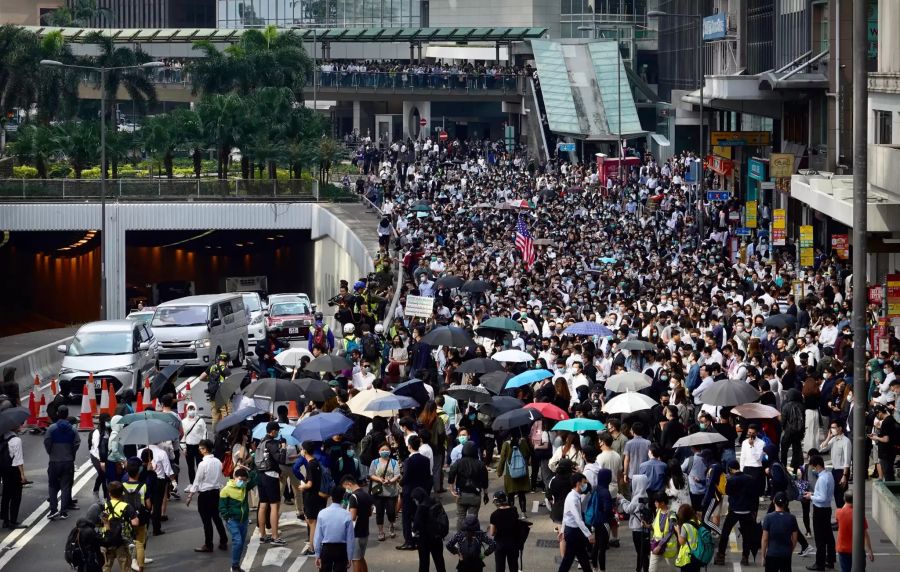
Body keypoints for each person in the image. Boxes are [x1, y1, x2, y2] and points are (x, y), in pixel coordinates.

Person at [186, 438, 227, 553]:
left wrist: (190, 495)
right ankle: (223, 540)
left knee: (206, 521)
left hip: (205, 494)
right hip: (215, 492)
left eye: (201, 448)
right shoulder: (218, 462)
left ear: (205, 449)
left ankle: (208, 545)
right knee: (216, 517)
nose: (199, 450)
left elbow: (197, 481)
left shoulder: (203, 464)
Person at [714, 460, 756, 566]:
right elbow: (754, 496)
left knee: (725, 533)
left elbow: (727, 492)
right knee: (746, 535)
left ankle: (721, 556)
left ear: (730, 469)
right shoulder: (750, 479)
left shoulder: (731, 480)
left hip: (734, 510)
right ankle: (745, 557)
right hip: (747, 511)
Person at [45, 404, 80, 520]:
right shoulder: (73, 429)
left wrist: (51, 452)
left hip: (54, 461)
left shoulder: (52, 428)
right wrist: (71, 454)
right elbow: (76, 443)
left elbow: (47, 442)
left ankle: (53, 510)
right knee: (65, 486)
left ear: (58, 414)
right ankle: (63, 511)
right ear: (67, 414)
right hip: (68, 461)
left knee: (52, 486)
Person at [219, 467, 257, 572]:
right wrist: (227, 517)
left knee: (241, 543)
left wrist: (248, 470)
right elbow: (222, 507)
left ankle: (236, 565)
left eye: (245, 480)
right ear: (234, 477)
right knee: (238, 541)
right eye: (240, 479)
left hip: (243, 521)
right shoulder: (225, 490)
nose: (243, 482)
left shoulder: (244, 487)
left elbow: (255, 477)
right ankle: (235, 566)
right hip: (232, 521)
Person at [256, 421, 287, 545]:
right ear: (273, 431)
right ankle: (275, 536)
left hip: (260, 475)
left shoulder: (262, 442)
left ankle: (262, 535)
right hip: (270, 476)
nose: (278, 432)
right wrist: (283, 448)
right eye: (277, 430)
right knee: (274, 506)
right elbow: (281, 459)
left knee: (263, 505)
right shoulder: (272, 443)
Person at [399, 435, 431, 550]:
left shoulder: (408, 461)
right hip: (421, 492)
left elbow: (406, 477)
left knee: (407, 517)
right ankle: (419, 539)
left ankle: (409, 541)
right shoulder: (426, 460)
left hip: (409, 492)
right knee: (419, 515)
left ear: (409, 446)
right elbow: (428, 477)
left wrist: (400, 483)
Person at [556, 473, 594, 572]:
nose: (585, 485)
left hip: (573, 531)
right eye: (584, 482)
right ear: (578, 483)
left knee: (581, 557)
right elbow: (578, 519)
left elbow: (565, 515)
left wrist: (562, 531)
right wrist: (589, 535)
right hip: (573, 532)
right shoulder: (572, 498)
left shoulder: (573, 496)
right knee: (573, 558)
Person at [447, 441, 489, 531]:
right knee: (473, 519)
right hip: (475, 495)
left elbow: (451, 473)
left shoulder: (458, 463)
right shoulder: (480, 464)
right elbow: (485, 481)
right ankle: (472, 539)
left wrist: (451, 489)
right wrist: (485, 494)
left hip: (461, 494)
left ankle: (460, 539)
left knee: (461, 518)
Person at [804, 455, 835, 571]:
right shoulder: (829, 475)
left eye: (813, 466)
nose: (812, 469)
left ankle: (820, 563)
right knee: (828, 536)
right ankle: (830, 559)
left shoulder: (822, 479)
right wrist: (812, 494)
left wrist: (810, 497)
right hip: (826, 509)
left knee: (820, 538)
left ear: (817, 465)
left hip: (820, 510)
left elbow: (822, 498)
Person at [100, 481, 140, 572]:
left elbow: (100, 521)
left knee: (106, 565)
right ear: (122, 493)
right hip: (121, 540)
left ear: (109, 494)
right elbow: (135, 522)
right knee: (125, 565)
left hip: (107, 539)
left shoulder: (104, 506)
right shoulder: (126, 506)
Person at [313, 485, 354, 572]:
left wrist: (317, 555)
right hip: (341, 549)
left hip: (326, 549)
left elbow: (317, 537)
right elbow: (350, 538)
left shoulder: (322, 513)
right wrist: (349, 556)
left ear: (331, 497)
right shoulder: (347, 515)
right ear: (343, 497)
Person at [121, 458, 151, 572]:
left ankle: (129, 564)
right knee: (140, 543)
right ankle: (140, 567)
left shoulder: (122, 485)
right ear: (139, 472)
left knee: (127, 541)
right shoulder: (143, 486)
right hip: (140, 518)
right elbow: (148, 504)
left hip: (127, 518)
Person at [298, 441, 327, 556]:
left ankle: (312, 548)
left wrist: (302, 486)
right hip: (319, 496)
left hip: (311, 497)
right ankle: (315, 545)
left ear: (304, 451)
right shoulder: (316, 462)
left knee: (312, 522)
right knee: (315, 521)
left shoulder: (310, 464)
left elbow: (309, 484)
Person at [367, 442, 400, 541]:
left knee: (391, 511)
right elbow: (371, 474)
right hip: (378, 492)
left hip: (391, 492)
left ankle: (391, 525)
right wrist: (379, 479)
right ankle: (381, 531)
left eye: (386, 450)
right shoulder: (375, 462)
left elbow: (397, 475)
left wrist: (390, 481)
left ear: (390, 451)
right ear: (379, 451)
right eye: (382, 450)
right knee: (379, 512)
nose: (384, 451)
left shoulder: (394, 462)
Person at [834, 491, 874, 572]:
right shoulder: (859, 514)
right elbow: (865, 534)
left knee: (845, 569)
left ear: (844, 499)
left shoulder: (839, 512)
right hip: (858, 548)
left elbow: (841, 512)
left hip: (843, 548)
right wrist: (869, 550)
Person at [343, 475, 374, 572]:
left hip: (355, 533)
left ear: (349, 484)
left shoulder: (353, 496)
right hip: (365, 531)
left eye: (346, 487)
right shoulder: (366, 494)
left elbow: (352, 516)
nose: (346, 490)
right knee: (361, 558)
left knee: (355, 560)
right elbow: (369, 513)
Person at [761, 492, 798, 572]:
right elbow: (794, 539)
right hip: (786, 554)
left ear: (774, 501)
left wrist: (763, 556)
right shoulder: (792, 518)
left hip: (772, 554)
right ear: (785, 503)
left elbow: (765, 539)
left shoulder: (768, 518)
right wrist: (790, 550)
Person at [620, 474, 651, 572]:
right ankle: (643, 569)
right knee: (644, 552)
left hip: (637, 528)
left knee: (640, 551)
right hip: (646, 527)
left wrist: (622, 500)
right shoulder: (646, 495)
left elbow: (628, 509)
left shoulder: (637, 497)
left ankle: (640, 569)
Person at [496, 430, 531, 514]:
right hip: (522, 472)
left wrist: (499, 472)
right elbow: (527, 453)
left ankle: (512, 512)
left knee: (510, 495)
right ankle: (523, 513)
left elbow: (502, 459)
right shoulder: (523, 442)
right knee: (522, 494)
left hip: (510, 474)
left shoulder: (506, 444)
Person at [0, 420, 25, 529]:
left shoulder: (3, 437)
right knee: (16, 496)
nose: (21, 425)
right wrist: (22, 475)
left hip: (4, 469)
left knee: (6, 495)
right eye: (19, 424)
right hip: (14, 470)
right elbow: (19, 460)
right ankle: (13, 521)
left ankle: (5, 520)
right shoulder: (16, 440)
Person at [488, 491, 520, 572]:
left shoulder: (494, 514)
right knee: (513, 566)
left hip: (500, 544)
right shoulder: (514, 510)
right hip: (513, 543)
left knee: (500, 567)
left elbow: (492, 533)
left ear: (496, 502)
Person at [199, 353, 232, 430]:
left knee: (215, 417)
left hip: (213, 396)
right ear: (227, 361)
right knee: (226, 415)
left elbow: (201, 378)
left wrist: (209, 379)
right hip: (223, 397)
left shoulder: (212, 367)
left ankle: (215, 434)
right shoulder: (225, 369)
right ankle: (225, 433)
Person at [648, 492, 678, 572]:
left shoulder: (672, 515)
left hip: (667, 548)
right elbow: (655, 526)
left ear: (663, 503)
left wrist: (660, 546)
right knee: (651, 569)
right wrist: (648, 526)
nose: (655, 503)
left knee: (673, 569)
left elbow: (670, 532)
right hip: (656, 544)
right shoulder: (658, 510)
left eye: (656, 502)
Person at [181, 402, 208, 486]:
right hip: (188, 447)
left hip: (199, 446)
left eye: (192, 409)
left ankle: (200, 484)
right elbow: (182, 436)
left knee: (200, 466)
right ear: (186, 410)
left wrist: (203, 445)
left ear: (195, 409)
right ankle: (192, 483)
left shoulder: (200, 421)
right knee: (190, 467)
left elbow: (205, 432)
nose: (191, 411)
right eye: (189, 409)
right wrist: (183, 447)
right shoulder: (183, 422)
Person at [89, 413, 111, 501]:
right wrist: (101, 461)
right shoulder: (97, 432)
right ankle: (105, 497)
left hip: (105, 456)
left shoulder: (108, 430)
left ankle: (95, 490)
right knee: (103, 474)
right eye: (107, 421)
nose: (108, 422)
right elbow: (96, 448)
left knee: (102, 474)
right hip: (96, 456)